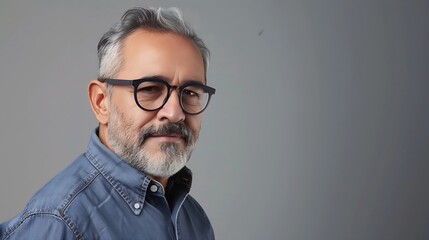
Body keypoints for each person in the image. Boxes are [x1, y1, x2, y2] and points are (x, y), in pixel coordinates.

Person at [0, 7, 215, 240]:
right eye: (150, 89)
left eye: (191, 93)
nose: (175, 113)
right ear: (101, 102)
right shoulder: (59, 221)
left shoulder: (192, 218)